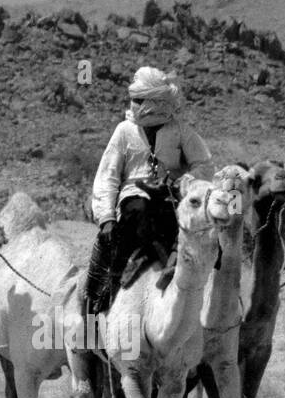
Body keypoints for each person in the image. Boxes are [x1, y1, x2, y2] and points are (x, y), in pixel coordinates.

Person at [84, 66, 212, 316]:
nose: (135, 104)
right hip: (133, 195)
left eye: (141, 100)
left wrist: (182, 181)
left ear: (156, 102)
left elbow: (204, 164)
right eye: (135, 100)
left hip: (170, 196)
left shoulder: (180, 131)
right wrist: (106, 217)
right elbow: (108, 175)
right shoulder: (124, 130)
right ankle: (106, 292)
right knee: (136, 214)